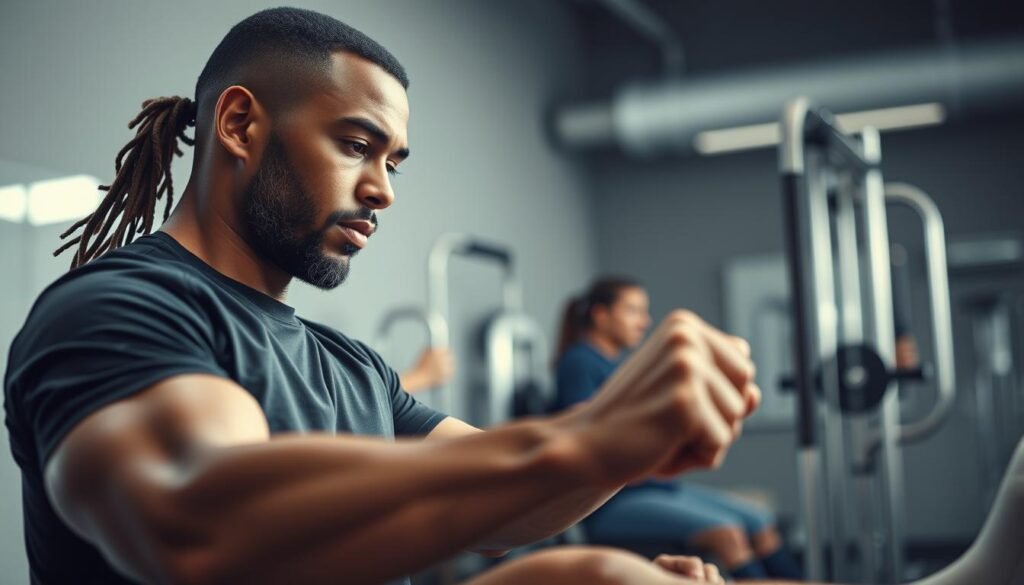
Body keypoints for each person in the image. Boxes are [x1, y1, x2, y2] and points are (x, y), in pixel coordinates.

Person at [3, 8, 761, 585]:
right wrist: (591, 435)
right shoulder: (118, 309)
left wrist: (591, 546)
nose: (383, 190)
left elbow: (508, 507)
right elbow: (196, 518)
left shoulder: (351, 366)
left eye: (394, 160)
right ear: (238, 124)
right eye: (357, 145)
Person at [553, 277, 802, 581]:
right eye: (633, 311)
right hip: (612, 502)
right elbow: (588, 443)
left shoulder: (614, 365)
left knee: (762, 523)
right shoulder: (579, 362)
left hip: (654, 487)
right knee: (728, 534)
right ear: (601, 315)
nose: (644, 322)